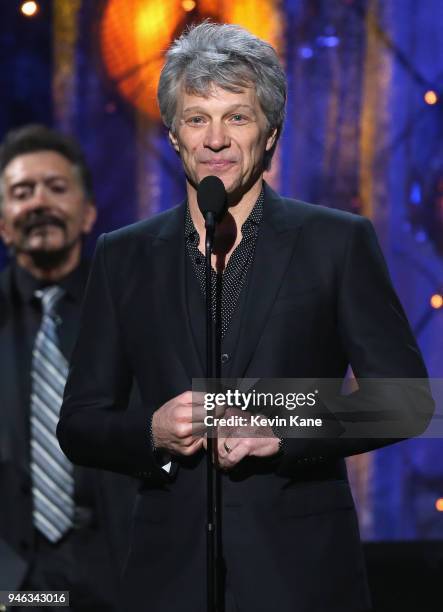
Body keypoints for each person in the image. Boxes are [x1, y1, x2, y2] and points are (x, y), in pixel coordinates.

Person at [57, 23, 432, 612]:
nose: (215, 139)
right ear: (174, 135)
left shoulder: (336, 242)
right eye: (197, 117)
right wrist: (151, 432)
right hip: (167, 579)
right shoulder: (123, 254)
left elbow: (408, 400)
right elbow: (79, 423)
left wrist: (280, 425)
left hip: (301, 578)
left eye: (237, 116)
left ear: (271, 134)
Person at [0, 125, 135, 611]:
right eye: (21, 192)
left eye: (57, 188)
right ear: (2, 221)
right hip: (14, 582)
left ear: (88, 213)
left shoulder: (132, 310)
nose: (39, 202)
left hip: (120, 572)